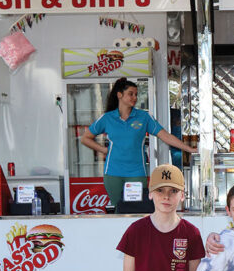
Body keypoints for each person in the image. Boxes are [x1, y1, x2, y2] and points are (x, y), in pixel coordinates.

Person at [81, 78, 197, 207]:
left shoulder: (144, 117)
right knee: (118, 210)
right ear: (119, 95)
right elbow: (85, 138)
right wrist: (104, 150)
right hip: (113, 173)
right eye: (131, 94)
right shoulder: (107, 118)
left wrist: (189, 149)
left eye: (136, 94)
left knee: (135, 209)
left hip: (136, 173)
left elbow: (165, 136)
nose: (134, 97)